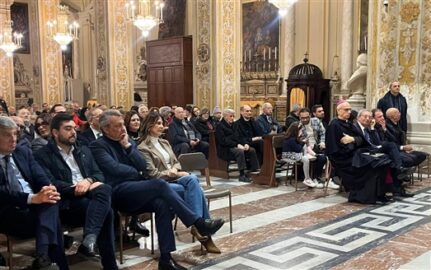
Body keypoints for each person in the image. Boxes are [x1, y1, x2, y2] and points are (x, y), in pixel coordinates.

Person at [89, 109, 224, 270]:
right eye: (117, 126)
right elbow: (115, 169)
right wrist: (135, 171)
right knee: (160, 185)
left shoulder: (127, 142)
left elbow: (142, 166)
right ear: (105, 129)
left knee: (162, 205)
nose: (123, 129)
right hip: (118, 193)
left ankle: (166, 260)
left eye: (122, 125)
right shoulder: (97, 146)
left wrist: (127, 147)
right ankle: (198, 222)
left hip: (137, 189)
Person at [34, 113, 117, 269]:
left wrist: (88, 181)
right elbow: (50, 182)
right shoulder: (43, 155)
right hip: (66, 202)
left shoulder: (83, 150)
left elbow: (98, 174)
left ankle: (89, 241)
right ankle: (106, 262)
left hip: (88, 194)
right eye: (68, 129)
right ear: (55, 133)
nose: (73, 132)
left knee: (104, 189)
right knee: (107, 211)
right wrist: (76, 188)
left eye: (74, 128)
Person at [138, 112, 220, 253]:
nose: (161, 126)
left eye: (162, 123)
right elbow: (152, 174)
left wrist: (175, 169)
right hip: (160, 184)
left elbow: (176, 162)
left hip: (175, 178)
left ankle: (198, 226)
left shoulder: (164, 142)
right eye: (157, 123)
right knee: (197, 189)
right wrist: (170, 173)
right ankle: (203, 231)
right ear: (149, 125)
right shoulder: (143, 147)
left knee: (192, 180)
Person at [0, 116, 68, 270]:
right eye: (7, 135)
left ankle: (43, 255)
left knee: (51, 201)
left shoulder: (22, 152)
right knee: (52, 219)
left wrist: (47, 188)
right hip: (8, 210)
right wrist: (32, 198)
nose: (13, 139)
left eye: (15, 134)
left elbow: (39, 175)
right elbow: (3, 193)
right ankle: (47, 257)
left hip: (36, 206)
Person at [325, 101, 391, 204]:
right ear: (338, 110)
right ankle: (363, 197)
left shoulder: (349, 124)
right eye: (346, 110)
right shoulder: (334, 125)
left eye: (350, 109)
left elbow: (361, 138)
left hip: (355, 154)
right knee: (371, 167)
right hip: (342, 159)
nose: (349, 112)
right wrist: (351, 146)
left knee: (382, 163)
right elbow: (333, 149)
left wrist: (353, 140)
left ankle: (379, 195)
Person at [215, 109, 260, 182]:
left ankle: (254, 171)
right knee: (240, 151)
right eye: (231, 116)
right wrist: (237, 144)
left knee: (251, 150)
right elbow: (223, 141)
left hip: (236, 145)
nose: (232, 118)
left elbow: (239, 137)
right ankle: (242, 175)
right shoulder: (220, 126)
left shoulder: (234, 125)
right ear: (225, 116)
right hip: (225, 149)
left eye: (233, 116)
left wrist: (245, 143)